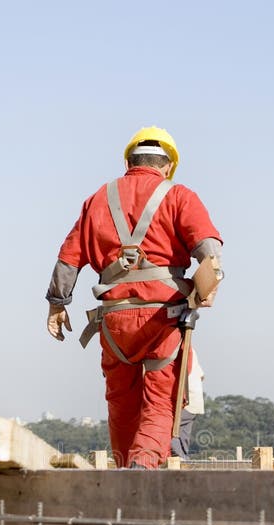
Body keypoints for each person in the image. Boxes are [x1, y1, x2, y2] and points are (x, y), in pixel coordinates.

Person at [45, 126, 223, 469]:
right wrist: (208, 287)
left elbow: (68, 258)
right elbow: (209, 252)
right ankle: (142, 469)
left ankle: (125, 470)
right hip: (162, 318)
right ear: (168, 166)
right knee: (160, 401)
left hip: (114, 318)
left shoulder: (98, 198)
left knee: (121, 402)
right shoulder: (179, 195)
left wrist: (57, 304)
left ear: (128, 161)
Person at [170, 351, 205, 460]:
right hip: (195, 401)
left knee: (167, 428)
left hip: (186, 400)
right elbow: (202, 376)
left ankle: (180, 458)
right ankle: (184, 459)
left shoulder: (177, 348)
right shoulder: (190, 349)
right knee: (183, 434)